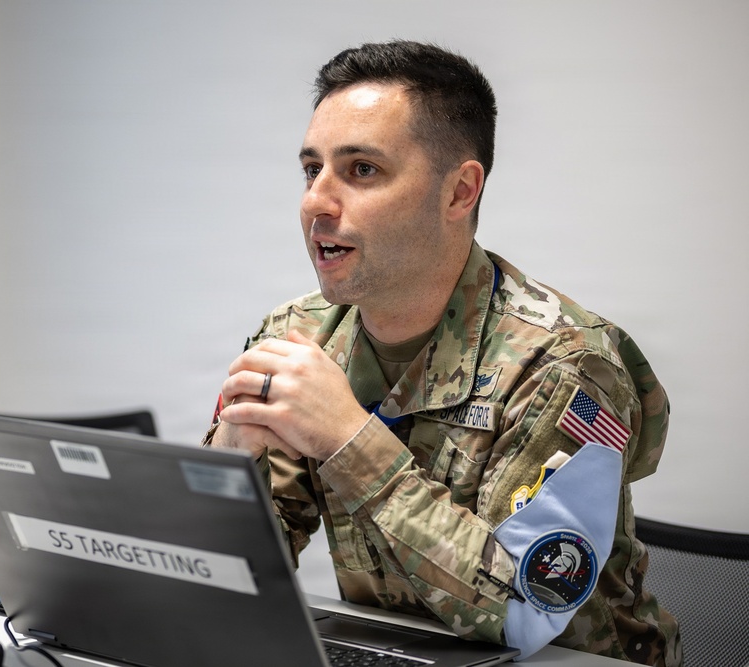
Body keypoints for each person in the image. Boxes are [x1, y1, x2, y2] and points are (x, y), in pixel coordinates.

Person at [203, 41, 680, 665]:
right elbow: (222, 577)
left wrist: (350, 440)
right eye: (311, 169)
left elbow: (524, 612)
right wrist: (231, 474)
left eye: (361, 170)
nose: (316, 201)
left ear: (459, 192)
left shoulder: (565, 362)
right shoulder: (301, 334)